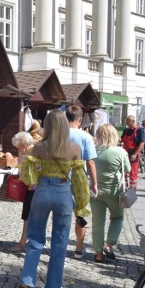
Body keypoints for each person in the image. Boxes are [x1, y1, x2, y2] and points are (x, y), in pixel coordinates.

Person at [17, 109, 89, 288]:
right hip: (64, 193)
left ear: (47, 126)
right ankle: (53, 286)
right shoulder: (75, 148)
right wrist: (81, 205)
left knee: (34, 238)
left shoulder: (39, 147)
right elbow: (80, 181)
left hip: (42, 191)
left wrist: (36, 178)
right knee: (60, 241)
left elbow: (27, 174)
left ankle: (26, 281)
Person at [91, 123, 131, 263]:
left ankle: (98, 253)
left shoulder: (93, 150)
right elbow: (127, 169)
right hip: (114, 191)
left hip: (96, 190)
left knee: (97, 222)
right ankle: (109, 245)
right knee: (117, 218)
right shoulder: (120, 152)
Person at [65, 106, 98, 259]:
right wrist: (94, 183)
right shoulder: (85, 137)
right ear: (80, 119)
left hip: (59, 177)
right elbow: (90, 162)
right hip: (79, 178)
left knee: (61, 213)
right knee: (81, 214)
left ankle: (60, 245)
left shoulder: (59, 134)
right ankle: (79, 248)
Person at [7, 119, 42, 253]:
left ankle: (24, 243)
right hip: (32, 187)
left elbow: (36, 170)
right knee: (28, 216)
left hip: (33, 188)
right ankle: (27, 241)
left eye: (19, 146)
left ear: (23, 144)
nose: (19, 149)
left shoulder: (32, 152)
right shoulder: (30, 150)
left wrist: (25, 178)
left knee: (28, 216)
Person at [121, 114, 145, 189]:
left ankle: (132, 190)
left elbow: (141, 143)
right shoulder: (126, 130)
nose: (126, 123)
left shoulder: (140, 130)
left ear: (133, 121)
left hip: (133, 153)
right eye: (126, 121)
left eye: (128, 121)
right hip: (125, 153)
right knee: (124, 172)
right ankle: (125, 188)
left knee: (133, 172)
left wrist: (135, 154)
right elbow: (121, 140)